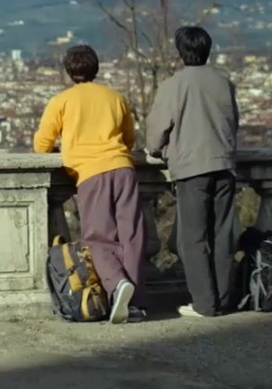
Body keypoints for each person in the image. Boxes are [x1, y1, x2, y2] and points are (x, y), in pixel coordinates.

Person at [33, 44, 147, 324]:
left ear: (69, 71)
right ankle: (133, 303)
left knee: (98, 237)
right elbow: (129, 138)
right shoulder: (116, 98)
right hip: (123, 168)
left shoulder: (62, 101)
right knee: (132, 236)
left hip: (90, 173)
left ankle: (117, 285)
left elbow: (42, 144)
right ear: (96, 68)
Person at [145, 25, 240, 318]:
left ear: (181, 51)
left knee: (193, 239)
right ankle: (223, 299)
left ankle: (205, 303)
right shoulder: (223, 83)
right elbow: (233, 122)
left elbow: (156, 133)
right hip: (224, 164)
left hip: (192, 168)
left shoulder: (173, 85)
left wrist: (157, 150)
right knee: (222, 235)